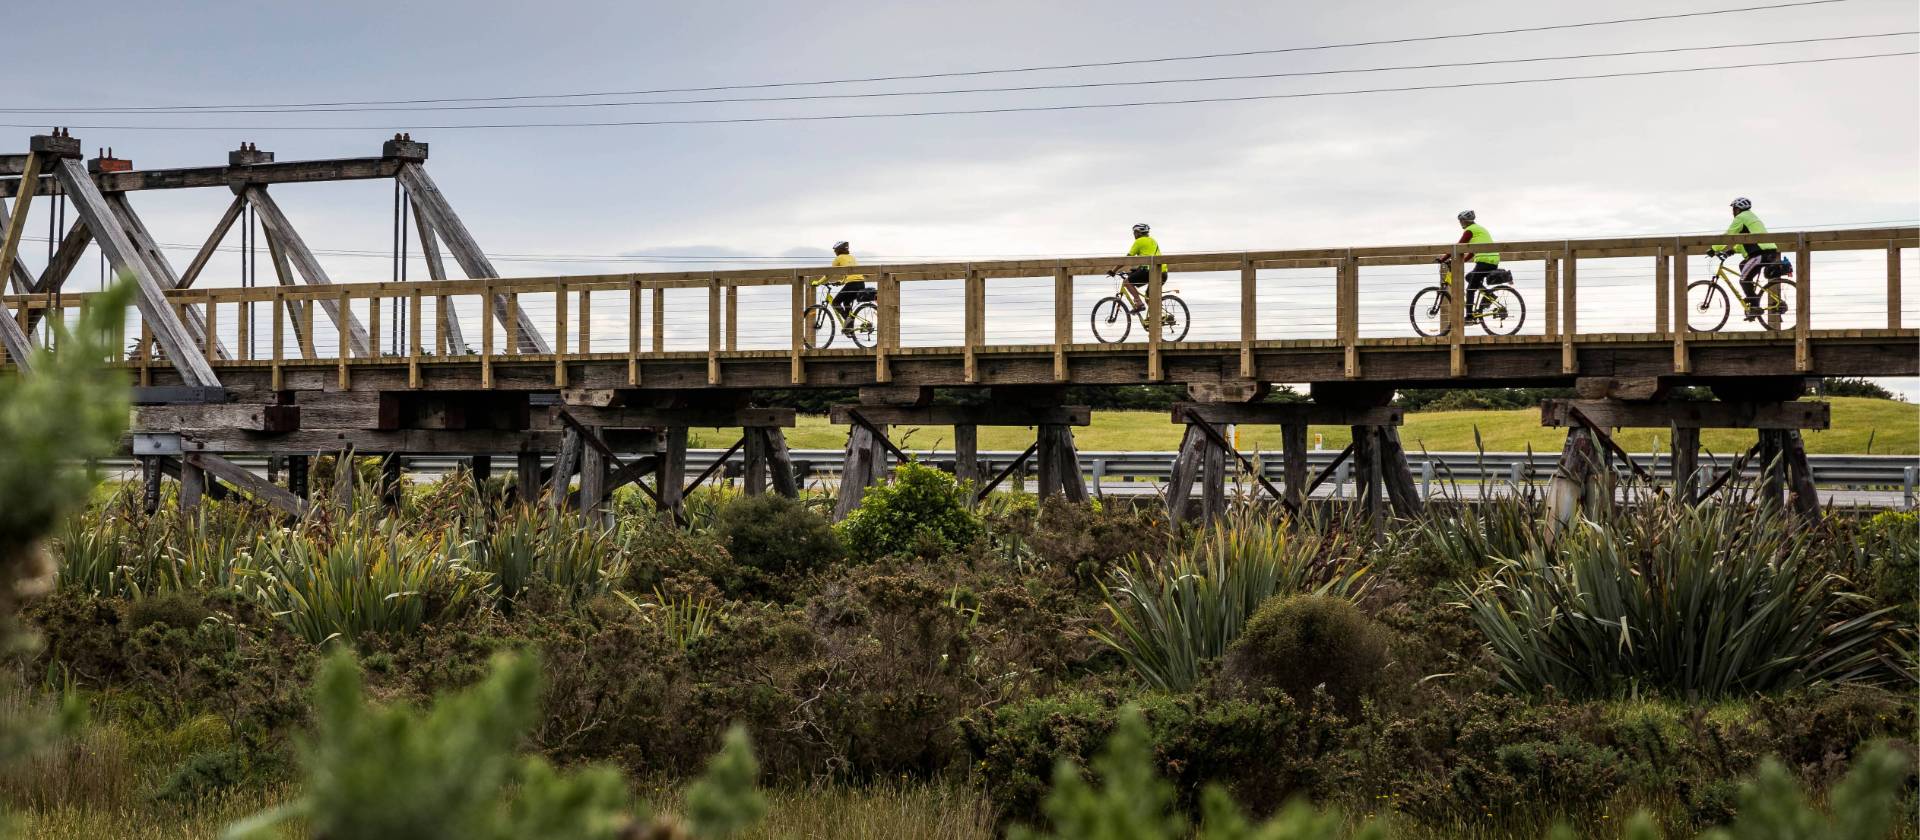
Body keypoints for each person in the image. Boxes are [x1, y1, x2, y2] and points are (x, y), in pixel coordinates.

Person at [1707, 197, 1780, 320]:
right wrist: (1732, 251)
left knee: (1744, 280)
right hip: (1766, 252)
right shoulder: (1750, 217)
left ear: (1738, 209)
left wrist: (1714, 249)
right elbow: (1744, 239)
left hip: (1760, 253)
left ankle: (1755, 305)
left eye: (1734, 209)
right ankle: (1752, 298)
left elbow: (1729, 235)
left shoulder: (1741, 218)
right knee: (1743, 265)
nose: (1733, 212)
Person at [1439, 210, 1501, 322]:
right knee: (1469, 277)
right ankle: (1490, 296)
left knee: (1470, 289)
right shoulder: (1478, 229)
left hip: (1485, 261)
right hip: (1491, 261)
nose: (1460, 223)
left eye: (1461, 220)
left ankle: (1469, 317)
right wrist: (1462, 262)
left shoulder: (1470, 230)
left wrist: (1443, 258)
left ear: (1466, 221)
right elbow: (1472, 251)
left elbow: (1458, 246)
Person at [817, 241, 870, 331]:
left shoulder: (838, 258)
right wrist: (841, 282)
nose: (835, 252)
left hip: (852, 284)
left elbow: (829, 274)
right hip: (861, 284)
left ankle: (848, 321)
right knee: (846, 302)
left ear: (838, 250)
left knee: (835, 302)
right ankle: (849, 327)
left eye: (835, 251)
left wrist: (818, 282)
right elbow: (851, 274)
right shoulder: (852, 257)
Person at [1113, 223, 1165, 312]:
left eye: (1134, 232)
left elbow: (1127, 258)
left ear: (1138, 233)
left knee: (1127, 282)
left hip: (1149, 271)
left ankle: (1139, 303)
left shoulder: (1139, 241)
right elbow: (1148, 255)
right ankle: (1161, 316)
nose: (1134, 234)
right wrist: (1135, 271)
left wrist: (1114, 270)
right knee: (1149, 297)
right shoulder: (1153, 241)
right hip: (1162, 272)